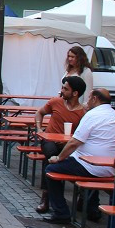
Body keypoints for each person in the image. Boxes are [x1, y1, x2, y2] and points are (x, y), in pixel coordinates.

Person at [42, 88, 115, 224]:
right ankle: (91, 209)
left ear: (95, 99)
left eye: (89, 97)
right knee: (87, 169)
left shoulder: (93, 115)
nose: (86, 100)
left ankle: (61, 212)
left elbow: (74, 142)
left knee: (51, 170)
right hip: (109, 167)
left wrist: (59, 158)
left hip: (90, 165)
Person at [34, 76, 88, 214]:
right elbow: (39, 113)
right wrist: (39, 129)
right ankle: (46, 197)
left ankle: (81, 194)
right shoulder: (55, 102)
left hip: (67, 143)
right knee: (51, 154)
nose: (62, 91)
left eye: (65, 89)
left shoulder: (83, 111)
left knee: (78, 159)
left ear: (75, 93)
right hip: (49, 139)